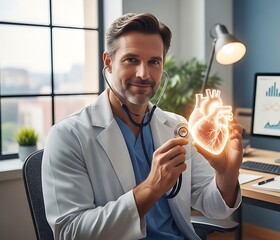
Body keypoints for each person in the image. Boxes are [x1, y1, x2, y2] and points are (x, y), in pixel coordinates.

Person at [41, 12, 243, 240]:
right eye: (131, 60)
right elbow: (70, 232)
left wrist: (226, 172)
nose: (144, 74)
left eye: (154, 62)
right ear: (108, 62)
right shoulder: (69, 135)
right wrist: (151, 188)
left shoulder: (177, 126)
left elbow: (214, 207)